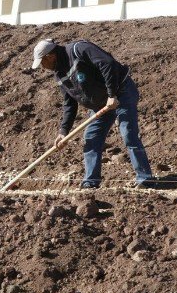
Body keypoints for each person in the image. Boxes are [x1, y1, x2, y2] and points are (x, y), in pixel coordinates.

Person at [31, 38, 154, 189]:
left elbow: (107, 64)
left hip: (121, 92)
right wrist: (63, 131)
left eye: (42, 62)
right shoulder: (59, 74)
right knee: (91, 137)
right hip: (100, 104)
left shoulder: (79, 49)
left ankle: (145, 179)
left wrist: (112, 94)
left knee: (128, 133)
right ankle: (91, 182)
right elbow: (69, 103)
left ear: (50, 56)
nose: (43, 67)